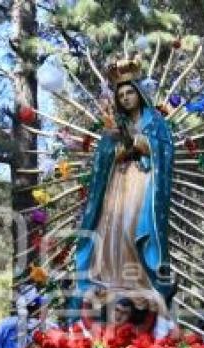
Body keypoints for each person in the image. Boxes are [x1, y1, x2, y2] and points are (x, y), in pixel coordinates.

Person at [72, 57, 175, 308]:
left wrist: (141, 143)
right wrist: (116, 148)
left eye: (130, 92)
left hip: (144, 183)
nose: (126, 97)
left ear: (139, 93)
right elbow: (104, 156)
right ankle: (111, 280)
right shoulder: (115, 125)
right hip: (117, 184)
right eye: (122, 94)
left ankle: (140, 284)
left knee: (135, 228)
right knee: (113, 228)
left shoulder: (155, 122)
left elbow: (165, 150)